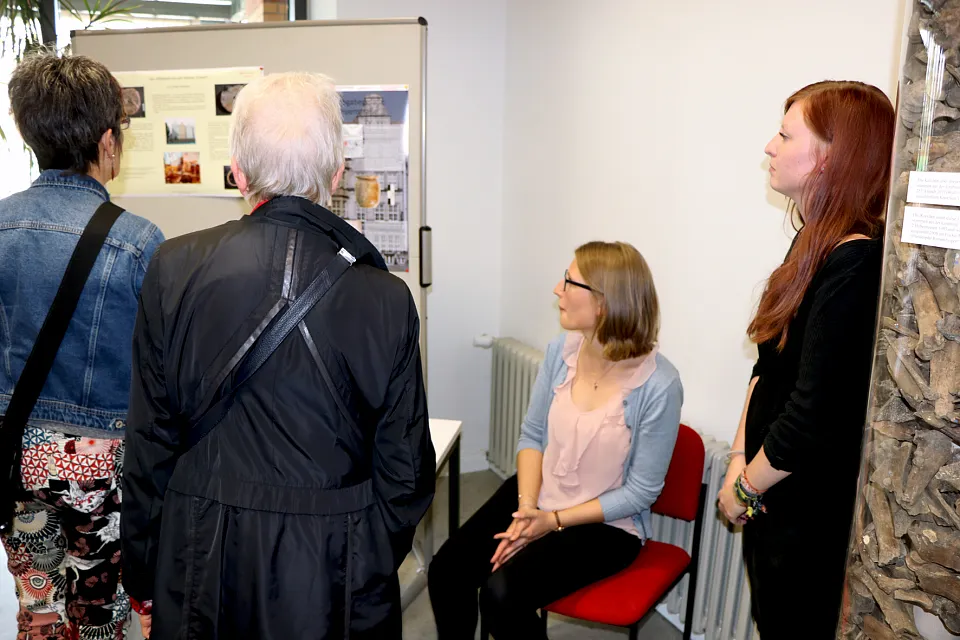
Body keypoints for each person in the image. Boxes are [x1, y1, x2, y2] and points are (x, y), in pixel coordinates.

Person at [121, 71, 435, 640]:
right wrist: (362, 550)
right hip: (335, 564)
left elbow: (149, 439)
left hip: (200, 551)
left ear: (237, 172)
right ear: (338, 174)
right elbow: (406, 471)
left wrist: (146, 565)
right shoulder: (386, 297)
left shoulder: (173, 268)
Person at [428, 241, 683, 640]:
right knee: (448, 571)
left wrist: (552, 522)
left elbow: (640, 493)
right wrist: (529, 508)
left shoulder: (659, 384)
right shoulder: (559, 352)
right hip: (540, 495)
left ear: (604, 302)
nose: (556, 290)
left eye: (569, 281)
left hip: (605, 524)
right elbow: (532, 436)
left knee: (500, 595)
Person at [718, 81, 895, 638]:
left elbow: (812, 417)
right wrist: (738, 462)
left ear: (830, 158)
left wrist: (746, 487)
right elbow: (766, 368)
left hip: (803, 517)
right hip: (770, 496)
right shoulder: (813, 245)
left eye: (785, 133)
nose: (769, 146)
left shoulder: (857, 263)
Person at [0, 52, 165, 640]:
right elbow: (159, 370)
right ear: (107, 142)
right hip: (101, 468)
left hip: (15, 455)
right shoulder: (139, 241)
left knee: (39, 610)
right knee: (103, 618)